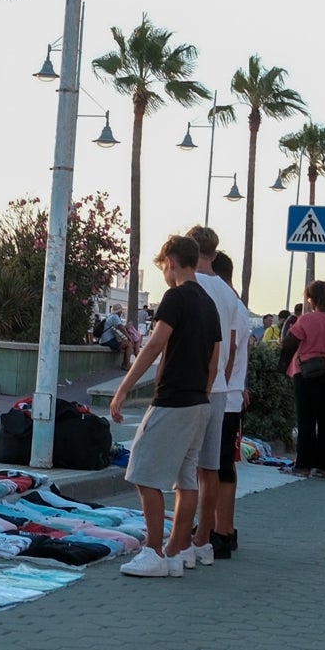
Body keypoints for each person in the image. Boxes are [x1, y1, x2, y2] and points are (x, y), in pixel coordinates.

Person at [109, 235, 220, 578]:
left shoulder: (176, 297)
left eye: (163, 267)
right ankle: (177, 550)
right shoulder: (208, 302)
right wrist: (201, 394)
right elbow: (215, 361)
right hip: (199, 401)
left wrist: (122, 390)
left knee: (143, 472)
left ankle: (154, 551)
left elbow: (155, 344)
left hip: (173, 400)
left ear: (170, 261)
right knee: (186, 479)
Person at [180, 225, 241, 572]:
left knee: (184, 467)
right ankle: (205, 539)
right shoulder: (229, 295)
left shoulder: (186, 285)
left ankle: (181, 540)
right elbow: (230, 346)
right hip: (219, 388)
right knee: (211, 468)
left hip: (188, 386)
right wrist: (223, 378)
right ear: (215, 255)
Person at [278, 281, 325, 479]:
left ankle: (303, 466)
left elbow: (289, 343)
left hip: (307, 372)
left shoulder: (305, 320)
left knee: (307, 419)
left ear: (310, 299)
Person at [209, 251, 250, 558]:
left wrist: (219, 383)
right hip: (231, 393)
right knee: (221, 465)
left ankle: (220, 530)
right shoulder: (238, 305)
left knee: (218, 466)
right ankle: (221, 528)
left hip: (225, 396)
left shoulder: (229, 304)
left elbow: (231, 348)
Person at [92, 304, 133, 370]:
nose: (121, 312)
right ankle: (127, 365)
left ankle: (125, 363)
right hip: (107, 340)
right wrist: (129, 337)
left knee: (126, 343)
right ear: (119, 311)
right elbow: (121, 327)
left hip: (104, 340)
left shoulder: (110, 316)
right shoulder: (115, 317)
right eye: (121, 311)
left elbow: (119, 327)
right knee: (129, 344)